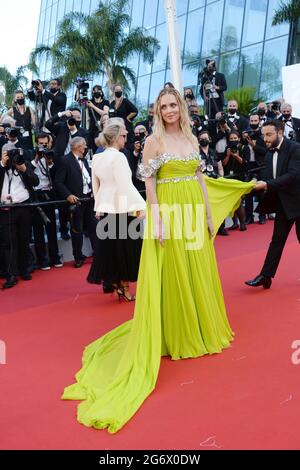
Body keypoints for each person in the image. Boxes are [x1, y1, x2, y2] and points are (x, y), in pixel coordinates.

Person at [62, 88, 254, 433]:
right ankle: (177, 332)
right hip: (169, 209)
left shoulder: (191, 137)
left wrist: (211, 215)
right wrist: (158, 219)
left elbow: (198, 177)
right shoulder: (154, 141)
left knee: (197, 268)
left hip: (194, 209)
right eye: (162, 106)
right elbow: (149, 184)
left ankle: (202, 325)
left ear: (180, 107)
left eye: (172, 105)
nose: (168, 110)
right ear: (157, 111)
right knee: (175, 271)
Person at [87, 118, 146, 300]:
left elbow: (95, 186)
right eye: (123, 136)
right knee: (125, 250)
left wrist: (98, 207)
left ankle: (118, 284)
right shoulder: (119, 157)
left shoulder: (97, 157)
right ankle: (125, 288)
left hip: (106, 209)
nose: (125, 139)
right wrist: (141, 206)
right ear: (115, 138)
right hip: (122, 208)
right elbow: (125, 185)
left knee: (112, 249)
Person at [245, 120, 300, 289]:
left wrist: (267, 184)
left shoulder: (295, 148)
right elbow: (267, 176)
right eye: (263, 135)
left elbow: (293, 176)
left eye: (269, 134)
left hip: (299, 201)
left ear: (280, 132)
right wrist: (250, 185)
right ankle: (266, 276)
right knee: (276, 241)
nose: (265, 138)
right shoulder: (269, 153)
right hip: (284, 203)